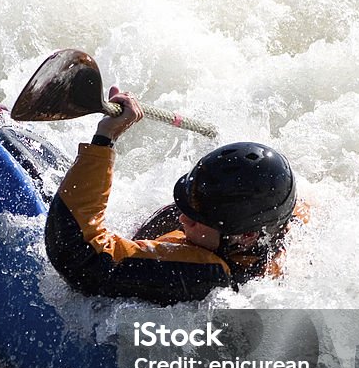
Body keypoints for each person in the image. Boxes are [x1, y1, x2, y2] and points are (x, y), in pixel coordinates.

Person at [44, 87, 303, 305]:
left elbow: (80, 257)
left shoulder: (206, 276)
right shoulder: (276, 222)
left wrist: (105, 137)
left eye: (196, 218)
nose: (182, 217)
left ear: (246, 236)